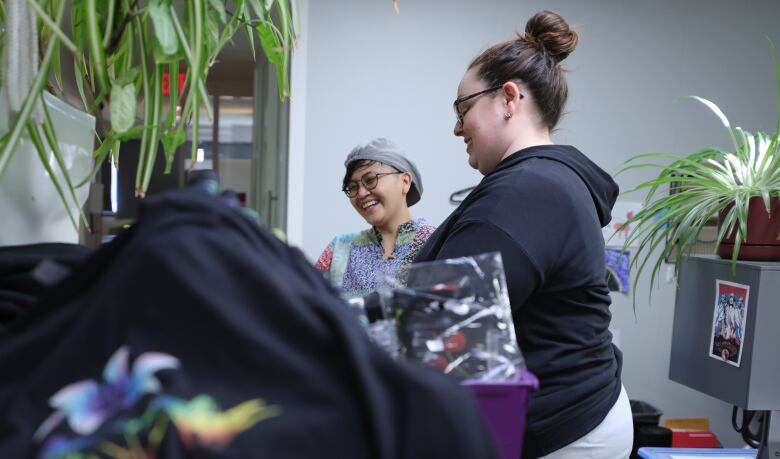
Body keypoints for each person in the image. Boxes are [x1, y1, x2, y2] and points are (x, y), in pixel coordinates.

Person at [414, 10, 632, 459]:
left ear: (508, 98)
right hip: (584, 409)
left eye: (463, 108)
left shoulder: (527, 191)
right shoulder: (546, 181)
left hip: (563, 429)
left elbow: (441, 324)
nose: (457, 128)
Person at [315, 138, 435, 300]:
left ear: (405, 182)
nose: (361, 193)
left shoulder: (434, 243)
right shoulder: (339, 249)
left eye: (370, 180)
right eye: (352, 187)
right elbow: (307, 302)